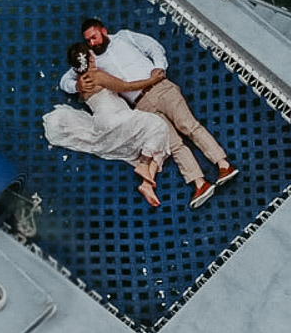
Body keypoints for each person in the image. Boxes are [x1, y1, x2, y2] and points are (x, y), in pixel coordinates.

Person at [59, 16, 237, 211]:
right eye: (88, 40)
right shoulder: (90, 58)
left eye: (94, 37)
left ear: (103, 30)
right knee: (173, 144)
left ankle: (223, 165)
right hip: (140, 104)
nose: (92, 43)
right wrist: (76, 85)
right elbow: (65, 81)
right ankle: (199, 183)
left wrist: (158, 67)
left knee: (189, 126)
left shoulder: (124, 37)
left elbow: (153, 47)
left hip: (161, 88)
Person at [43, 43, 173, 208]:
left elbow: (67, 82)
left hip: (102, 125)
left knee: (150, 140)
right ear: (90, 58)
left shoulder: (80, 84)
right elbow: (127, 87)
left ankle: (147, 182)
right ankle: (145, 164)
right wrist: (152, 80)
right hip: (116, 117)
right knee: (158, 125)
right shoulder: (97, 76)